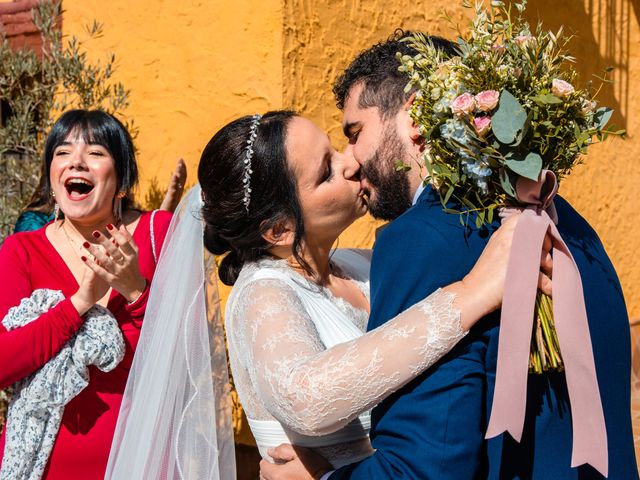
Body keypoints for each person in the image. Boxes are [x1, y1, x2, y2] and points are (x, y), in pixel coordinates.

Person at [262, 31, 638, 480]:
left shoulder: (420, 237)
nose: (351, 162)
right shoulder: (566, 221)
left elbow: (425, 468)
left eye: (355, 133)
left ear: (418, 113)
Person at [108, 109, 552, 480]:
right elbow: (308, 398)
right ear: (279, 229)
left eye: (336, 149)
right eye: (326, 171)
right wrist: (472, 293)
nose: (351, 164)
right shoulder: (262, 292)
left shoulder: (362, 264)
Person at [0, 109, 172, 479]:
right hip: (39, 468)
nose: (76, 161)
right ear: (50, 177)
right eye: (62, 152)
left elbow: (183, 360)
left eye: (95, 152)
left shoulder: (158, 235)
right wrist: (79, 302)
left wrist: (134, 290)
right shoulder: (20, 251)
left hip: (142, 463)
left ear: (123, 179)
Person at [14, 157, 187, 233]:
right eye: (64, 152)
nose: (78, 164)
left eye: (96, 154)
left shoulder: (126, 222)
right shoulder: (33, 224)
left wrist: (163, 216)